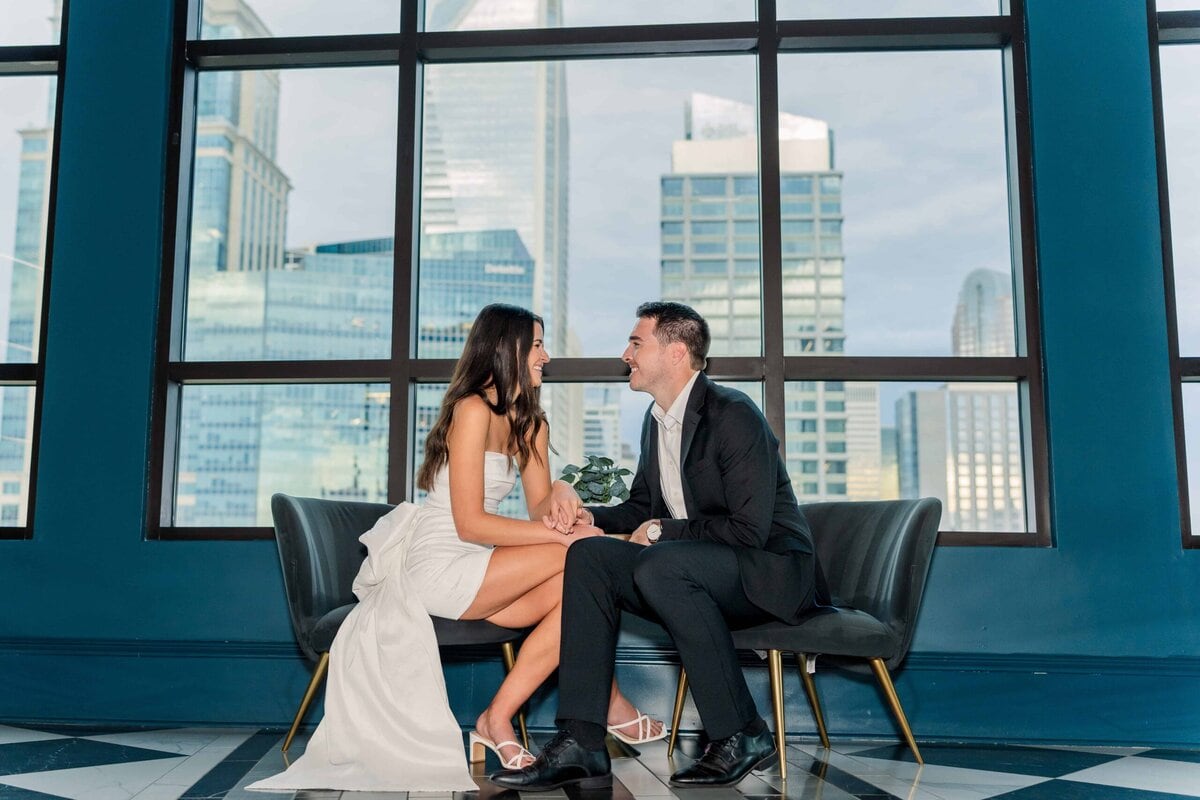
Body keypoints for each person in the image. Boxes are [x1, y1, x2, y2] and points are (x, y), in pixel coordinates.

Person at [249, 303, 661, 793]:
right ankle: (609, 702)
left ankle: (496, 718)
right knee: (587, 556)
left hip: (484, 566)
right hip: (440, 560)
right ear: (506, 349)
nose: (545, 357)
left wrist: (563, 492)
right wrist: (577, 536)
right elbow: (470, 523)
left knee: (582, 589)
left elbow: (538, 514)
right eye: (536, 345)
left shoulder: (532, 423)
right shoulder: (471, 410)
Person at [492, 301, 830, 791]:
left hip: (770, 572)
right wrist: (591, 517)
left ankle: (742, 733)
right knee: (588, 555)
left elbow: (748, 530)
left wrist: (659, 533)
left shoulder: (733, 415)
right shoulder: (656, 421)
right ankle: (582, 741)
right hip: (695, 569)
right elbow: (642, 507)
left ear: (675, 353)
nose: (625, 353)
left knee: (661, 565)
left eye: (636, 342)